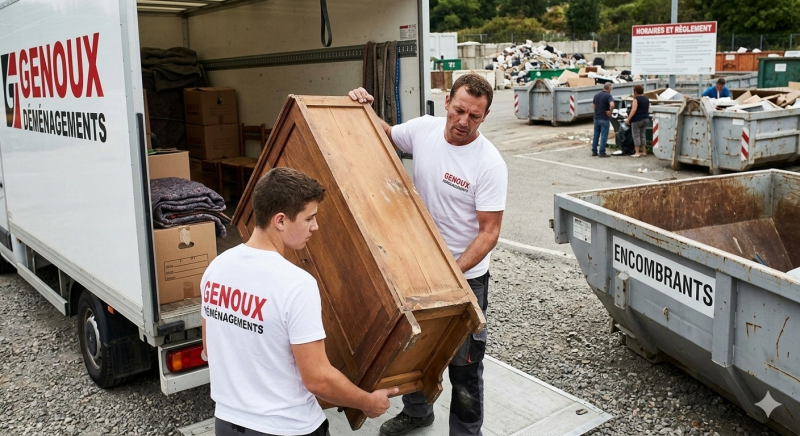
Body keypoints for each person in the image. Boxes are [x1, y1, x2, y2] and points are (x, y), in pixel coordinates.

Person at [349, 73, 507, 436]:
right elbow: (384, 134)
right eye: (459, 110)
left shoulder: (489, 164)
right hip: (416, 264)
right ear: (447, 101)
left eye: (475, 117)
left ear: (484, 118)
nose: (464, 122)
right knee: (412, 347)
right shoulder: (423, 129)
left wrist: (451, 271)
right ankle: (418, 412)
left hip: (464, 276)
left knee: (465, 362)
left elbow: (489, 233)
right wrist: (363, 106)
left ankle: (466, 432)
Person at [201, 167, 397, 436]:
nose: (315, 227)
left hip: (227, 424)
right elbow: (317, 379)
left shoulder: (216, 268)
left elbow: (210, 350)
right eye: (309, 218)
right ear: (280, 220)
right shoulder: (296, 284)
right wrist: (368, 403)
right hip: (287, 428)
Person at [624, 84, 650, 158]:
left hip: (637, 119)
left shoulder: (636, 99)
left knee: (636, 135)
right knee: (643, 135)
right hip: (646, 119)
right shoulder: (646, 99)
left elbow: (633, 110)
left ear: (635, 92)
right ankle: (644, 151)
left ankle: (637, 152)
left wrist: (628, 119)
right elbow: (648, 109)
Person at [592, 83, 615, 157]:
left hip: (596, 118)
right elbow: (612, 105)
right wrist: (610, 111)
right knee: (604, 135)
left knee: (596, 134)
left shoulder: (596, 95)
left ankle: (594, 151)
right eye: (611, 89)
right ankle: (602, 152)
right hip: (604, 118)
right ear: (609, 89)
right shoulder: (608, 96)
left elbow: (593, 106)